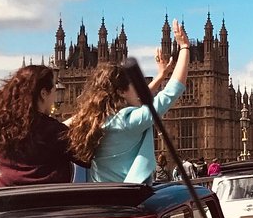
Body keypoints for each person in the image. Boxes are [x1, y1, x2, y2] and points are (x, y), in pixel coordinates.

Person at [67, 19, 190, 184]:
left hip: (98, 195)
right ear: (121, 92)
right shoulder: (128, 121)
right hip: (128, 197)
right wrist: (184, 48)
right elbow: (171, 91)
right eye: (133, 85)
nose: (138, 89)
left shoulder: (91, 119)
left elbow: (141, 99)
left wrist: (161, 76)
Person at [0, 65, 90, 187]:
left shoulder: (2, 126)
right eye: (54, 91)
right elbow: (86, 157)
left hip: (5, 197)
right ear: (44, 93)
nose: (54, 98)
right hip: (44, 200)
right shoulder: (52, 130)